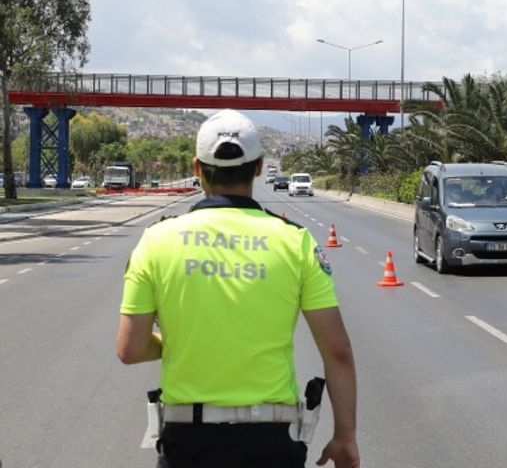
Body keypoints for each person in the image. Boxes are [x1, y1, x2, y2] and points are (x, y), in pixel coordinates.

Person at [116, 109, 359, 468]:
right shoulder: (295, 242)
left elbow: (130, 348)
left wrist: (178, 341)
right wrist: (345, 437)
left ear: (197, 168)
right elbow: (337, 352)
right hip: (271, 443)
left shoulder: (157, 240)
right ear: (260, 167)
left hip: (188, 443)